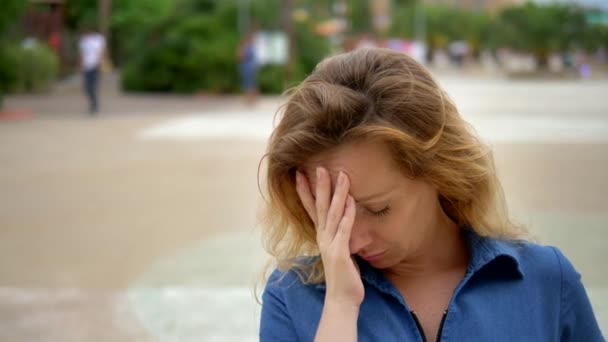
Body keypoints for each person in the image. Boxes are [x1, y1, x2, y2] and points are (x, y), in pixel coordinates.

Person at [258, 48, 603, 341]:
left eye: (378, 209)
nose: (353, 240)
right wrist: (340, 307)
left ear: (438, 171)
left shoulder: (544, 281)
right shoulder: (293, 296)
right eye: (332, 211)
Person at [78, 27, 105, 114]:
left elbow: (101, 52)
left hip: (95, 66)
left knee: (93, 86)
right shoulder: (83, 41)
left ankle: (94, 105)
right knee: (87, 87)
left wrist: (100, 64)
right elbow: (82, 54)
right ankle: (93, 103)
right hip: (86, 66)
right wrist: (81, 66)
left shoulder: (98, 39)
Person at [237, 29, 258, 104]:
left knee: (248, 83)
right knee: (252, 82)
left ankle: (249, 98)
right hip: (251, 67)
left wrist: (240, 49)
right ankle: (252, 98)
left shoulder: (246, 47)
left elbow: (241, 56)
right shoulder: (252, 46)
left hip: (247, 67)